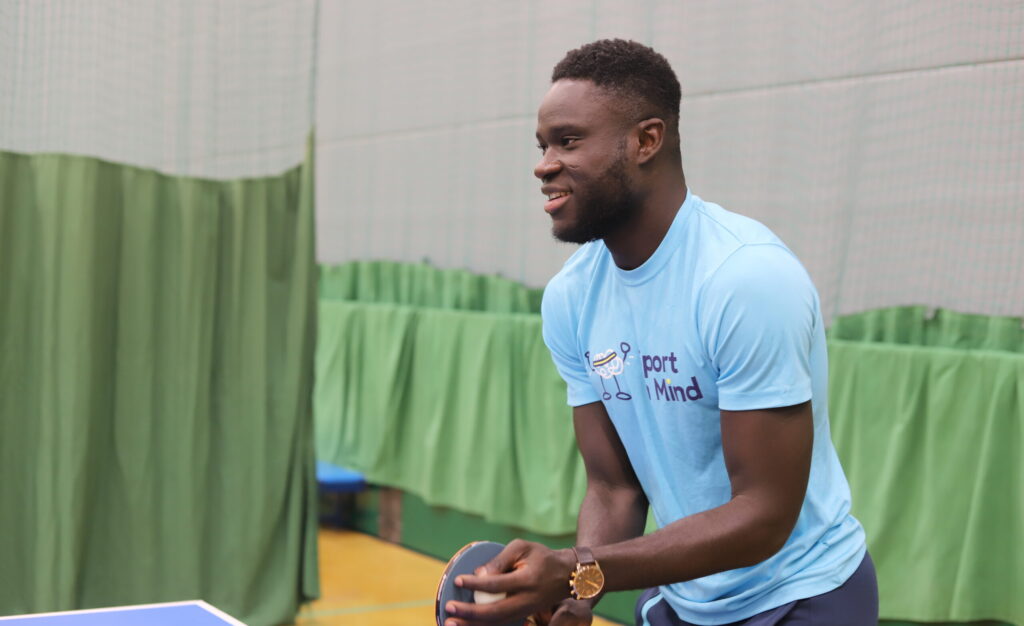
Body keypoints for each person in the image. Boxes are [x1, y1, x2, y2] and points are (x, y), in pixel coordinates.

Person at [443, 39, 878, 626]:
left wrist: (576, 567)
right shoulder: (571, 299)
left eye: (569, 141)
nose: (544, 164)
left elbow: (764, 515)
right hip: (681, 598)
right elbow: (614, 488)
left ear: (647, 140)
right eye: (543, 145)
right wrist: (576, 602)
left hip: (800, 597)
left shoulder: (745, 280)